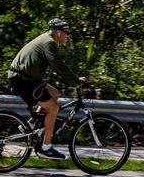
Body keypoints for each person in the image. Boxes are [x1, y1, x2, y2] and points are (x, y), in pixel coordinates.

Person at [7, 19, 87, 160]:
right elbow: (57, 65)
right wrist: (76, 80)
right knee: (53, 108)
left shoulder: (46, 39)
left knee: (55, 94)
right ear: (57, 31)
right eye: (66, 32)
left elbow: (54, 66)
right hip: (23, 81)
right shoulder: (49, 42)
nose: (67, 36)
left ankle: (31, 124)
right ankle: (46, 147)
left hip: (26, 79)